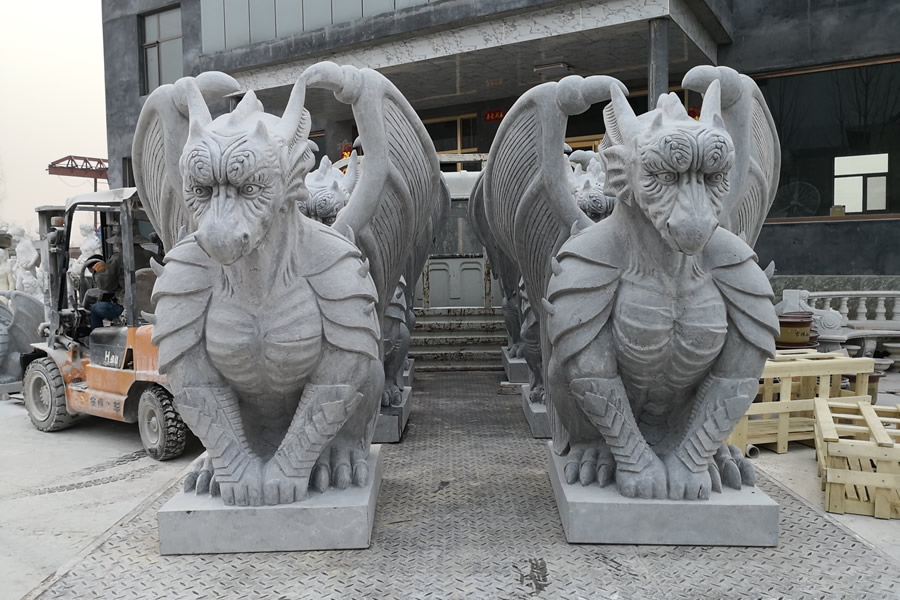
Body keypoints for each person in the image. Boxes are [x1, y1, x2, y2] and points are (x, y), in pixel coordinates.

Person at [89, 239, 125, 330]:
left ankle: (96, 337)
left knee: (95, 308)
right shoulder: (152, 256)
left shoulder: (118, 259)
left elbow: (106, 285)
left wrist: (100, 272)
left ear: (121, 243)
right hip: (152, 307)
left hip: (126, 309)